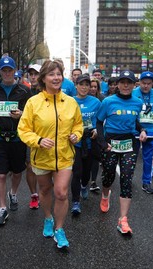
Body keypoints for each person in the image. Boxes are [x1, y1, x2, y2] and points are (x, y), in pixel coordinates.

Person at [17, 59, 83, 248]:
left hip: (64, 156)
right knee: (45, 190)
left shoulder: (71, 102)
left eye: (58, 74)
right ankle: (48, 218)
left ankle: (59, 229)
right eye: (51, 74)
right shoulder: (33, 103)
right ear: (43, 78)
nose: (56, 78)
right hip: (41, 157)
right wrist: (37, 141)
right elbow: (24, 129)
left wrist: (76, 135)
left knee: (61, 193)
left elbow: (78, 125)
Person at [96, 70, 147, 235]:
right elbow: (98, 122)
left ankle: (123, 219)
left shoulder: (137, 102)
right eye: (123, 82)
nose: (126, 85)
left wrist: (143, 130)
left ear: (134, 85)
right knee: (109, 175)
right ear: (117, 84)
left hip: (129, 143)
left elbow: (136, 121)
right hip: (111, 143)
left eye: (129, 82)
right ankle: (105, 195)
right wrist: (103, 143)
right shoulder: (108, 101)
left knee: (126, 178)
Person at [0, 55, 31, 226]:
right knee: (2, 173)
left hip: (18, 138)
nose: (6, 73)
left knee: (18, 172)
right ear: (0, 72)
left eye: (9, 70)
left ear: (14, 71)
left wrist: (22, 114)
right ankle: (2, 207)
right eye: (3, 70)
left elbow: (31, 114)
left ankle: (13, 193)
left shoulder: (24, 91)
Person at [70, 74, 101, 214]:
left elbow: (100, 122)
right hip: (75, 142)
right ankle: (75, 202)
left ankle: (84, 185)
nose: (84, 87)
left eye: (87, 85)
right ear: (76, 85)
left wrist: (97, 130)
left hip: (90, 141)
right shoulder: (70, 101)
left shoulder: (96, 102)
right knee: (76, 172)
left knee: (86, 172)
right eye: (81, 84)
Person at [132, 71, 153, 194]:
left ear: (152, 84)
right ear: (139, 82)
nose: (146, 86)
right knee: (132, 158)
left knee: (148, 158)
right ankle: (128, 179)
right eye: (143, 83)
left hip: (151, 132)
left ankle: (146, 182)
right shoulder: (133, 93)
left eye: (149, 84)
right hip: (135, 132)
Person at [26, 63, 42, 209]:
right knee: (30, 166)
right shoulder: (24, 91)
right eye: (31, 74)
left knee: (48, 167)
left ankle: (47, 191)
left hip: (47, 135)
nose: (33, 76)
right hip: (30, 136)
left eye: (36, 73)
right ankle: (34, 194)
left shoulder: (48, 91)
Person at [88, 78, 104, 191]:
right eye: (91, 86)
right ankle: (83, 180)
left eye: (95, 87)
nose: (93, 89)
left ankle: (93, 181)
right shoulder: (79, 99)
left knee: (95, 158)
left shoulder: (102, 100)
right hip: (82, 133)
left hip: (96, 132)